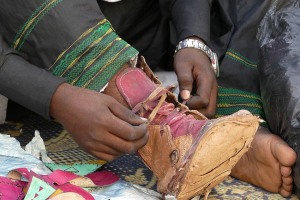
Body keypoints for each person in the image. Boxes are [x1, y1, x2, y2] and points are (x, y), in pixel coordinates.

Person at [0, 0, 296, 198]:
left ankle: (226, 122)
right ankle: (171, 134)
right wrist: (55, 97)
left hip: (150, 24)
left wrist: (193, 39)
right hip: (52, 48)